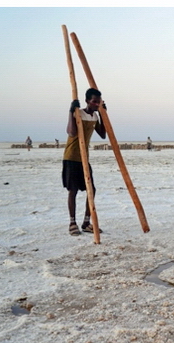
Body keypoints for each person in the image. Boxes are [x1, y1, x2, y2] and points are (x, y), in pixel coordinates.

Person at [63, 88, 106, 236]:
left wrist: (102, 113)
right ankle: (72, 222)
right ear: (87, 101)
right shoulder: (78, 113)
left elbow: (102, 134)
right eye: (94, 101)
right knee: (72, 191)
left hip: (84, 158)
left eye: (98, 102)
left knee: (91, 190)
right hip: (72, 157)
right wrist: (70, 111)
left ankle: (87, 222)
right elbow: (71, 132)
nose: (96, 104)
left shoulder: (94, 116)